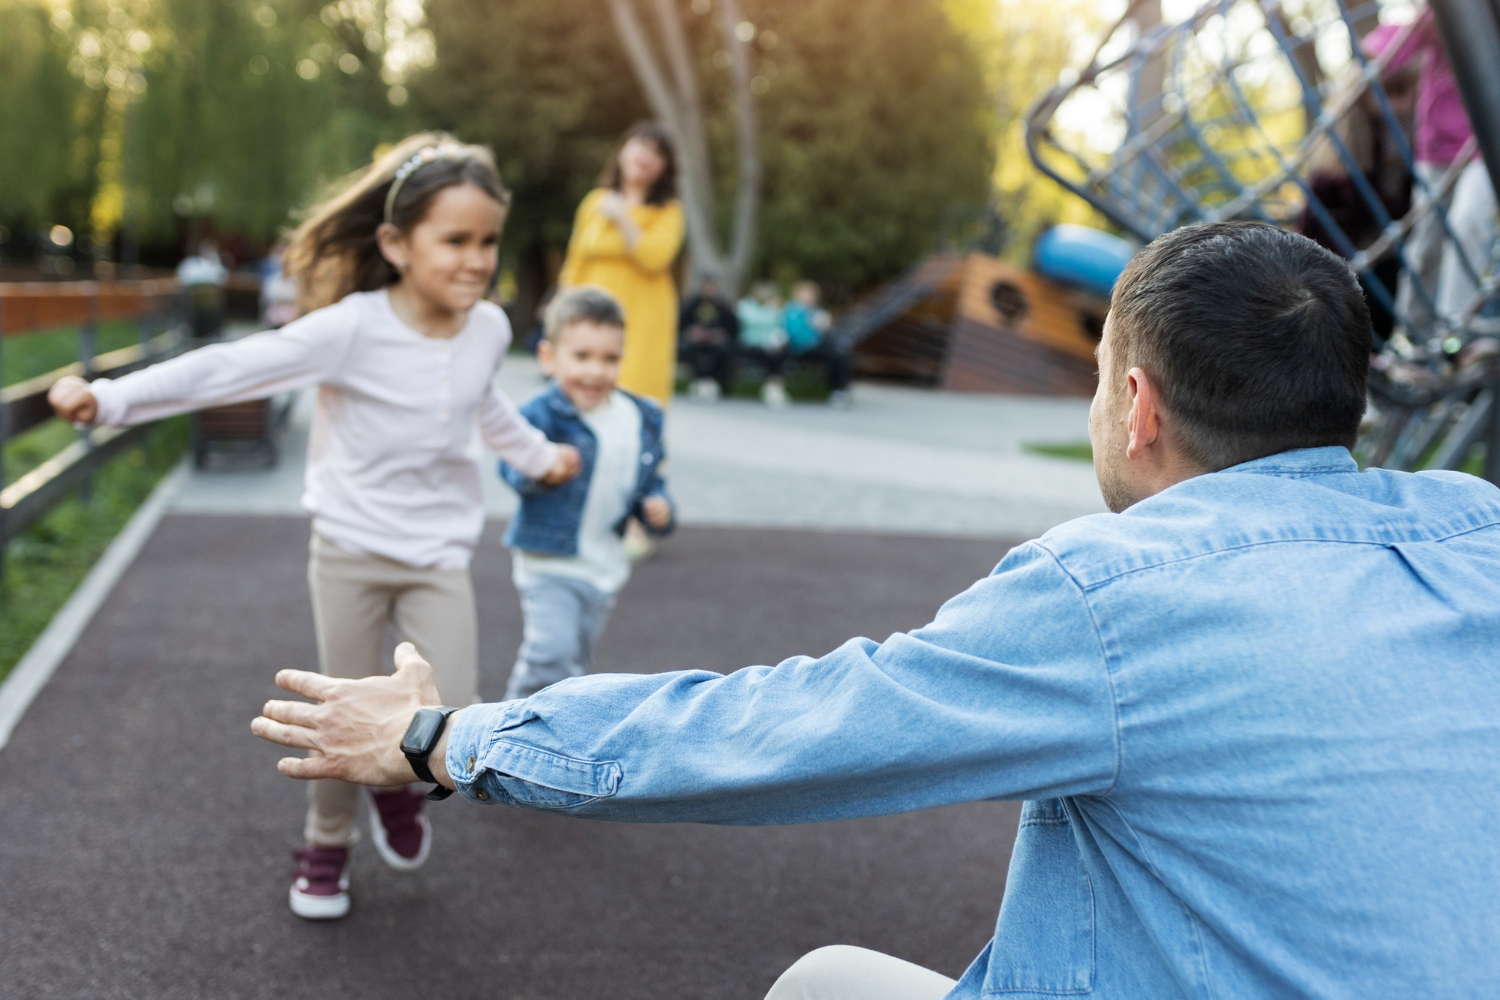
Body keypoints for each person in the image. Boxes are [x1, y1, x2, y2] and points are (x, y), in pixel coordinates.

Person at [254, 223, 1500, 997]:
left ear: (1136, 406)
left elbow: (781, 730)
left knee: (819, 984)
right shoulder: (1478, 534)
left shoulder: (1116, 595)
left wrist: (440, 740)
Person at [51, 132, 581, 922]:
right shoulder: (352, 329)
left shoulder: (490, 330)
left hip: (436, 555)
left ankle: (398, 785)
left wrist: (539, 458)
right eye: (456, 240)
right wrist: (112, 397)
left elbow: (486, 406)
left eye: (488, 241)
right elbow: (230, 368)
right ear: (396, 244)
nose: (476, 260)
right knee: (342, 713)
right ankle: (327, 844)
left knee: (457, 711)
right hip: (350, 552)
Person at [499, 286, 677, 700]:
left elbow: (650, 481)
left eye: (609, 358)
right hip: (550, 561)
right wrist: (544, 470)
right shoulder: (541, 415)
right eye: (581, 357)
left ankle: (554, 744)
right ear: (549, 357)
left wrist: (660, 508)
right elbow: (511, 467)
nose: (595, 371)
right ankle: (501, 734)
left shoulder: (641, 416)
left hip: (605, 564)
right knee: (551, 655)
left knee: (574, 667)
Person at [1296, 24, 1417, 345]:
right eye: (1393, 91)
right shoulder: (1348, 149)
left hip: (1389, 257)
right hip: (1348, 266)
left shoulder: (1410, 133)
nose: (1403, 104)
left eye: (1407, 91)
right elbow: (1322, 225)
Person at [1387, 9, 1499, 342]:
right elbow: (1388, 54)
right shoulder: (1438, 18)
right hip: (1437, 151)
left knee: (1469, 224)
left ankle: (1452, 337)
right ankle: (1410, 339)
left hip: (1486, 145)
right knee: (1426, 246)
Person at [557, 122, 686, 407]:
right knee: (583, 386)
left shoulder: (668, 212)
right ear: (623, 151)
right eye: (641, 145)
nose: (646, 155)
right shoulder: (594, 203)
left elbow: (655, 258)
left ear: (665, 167)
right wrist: (562, 314)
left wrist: (623, 217)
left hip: (644, 316)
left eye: (657, 153)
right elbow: (574, 263)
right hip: (592, 311)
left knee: (635, 391)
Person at [782, 280, 853, 409]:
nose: (809, 297)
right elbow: (795, 334)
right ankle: (838, 391)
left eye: (811, 295)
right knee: (836, 355)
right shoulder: (792, 311)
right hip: (800, 348)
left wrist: (824, 325)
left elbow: (824, 332)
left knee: (840, 354)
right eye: (806, 294)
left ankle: (839, 390)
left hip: (817, 346)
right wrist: (811, 325)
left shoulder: (816, 311)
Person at [679, 274, 740, 401]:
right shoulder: (692, 302)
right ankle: (699, 379)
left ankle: (713, 381)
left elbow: (733, 327)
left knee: (725, 349)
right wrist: (692, 332)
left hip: (717, 341)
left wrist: (719, 334)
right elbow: (682, 323)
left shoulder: (723, 304)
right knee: (686, 346)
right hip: (696, 341)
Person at [736, 280, 790, 408]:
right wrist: (769, 310)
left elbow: (778, 326)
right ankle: (773, 388)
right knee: (769, 352)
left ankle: (774, 387)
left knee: (779, 351)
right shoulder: (745, 305)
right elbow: (752, 322)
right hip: (748, 344)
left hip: (769, 346)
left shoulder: (775, 307)